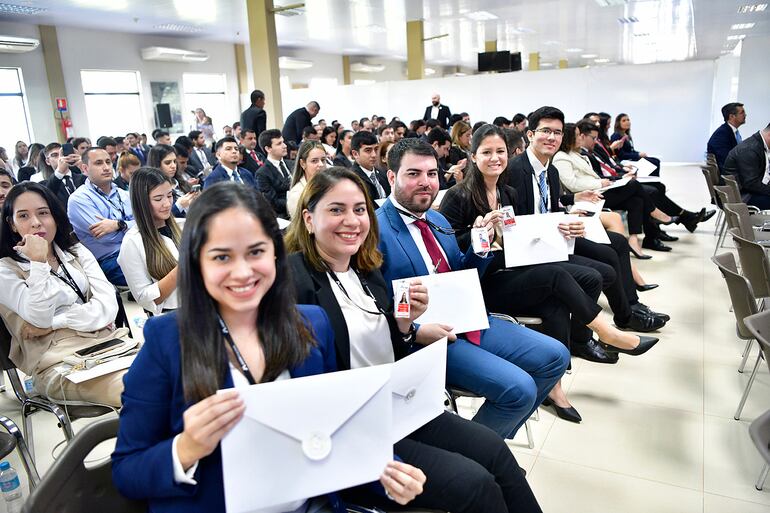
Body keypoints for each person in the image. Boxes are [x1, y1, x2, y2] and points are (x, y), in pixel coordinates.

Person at [112, 182, 425, 512]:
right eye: (221, 257)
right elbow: (127, 471)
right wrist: (185, 449)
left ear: (276, 254)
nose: (243, 272)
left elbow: (337, 427)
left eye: (256, 252)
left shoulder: (311, 325)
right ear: (196, 263)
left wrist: (385, 469)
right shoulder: (166, 341)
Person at [286, 168, 544, 513]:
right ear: (308, 218)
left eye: (360, 209)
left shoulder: (366, 270)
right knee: (475, 483)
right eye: (336, 210)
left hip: (396, 404)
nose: (352, 221)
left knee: (495, 450)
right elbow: (301, 382)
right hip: (352, 428)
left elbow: (386, 344)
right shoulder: (293, 280)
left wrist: (406, 327)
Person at [0, 182, 130, 407]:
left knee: (172, 374)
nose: (36, 222)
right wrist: (38, 263)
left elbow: (109, 307)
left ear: (55, 216)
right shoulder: (6, 269)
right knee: (140, 390)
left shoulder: (76, 252)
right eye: (23, 216)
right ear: (11, 224)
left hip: (108, 345)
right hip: (57, 362)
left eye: (43, 213)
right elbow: (38, 317)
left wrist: (55, 323)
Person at [553, 121, 678, 257]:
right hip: (585, 197)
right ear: (569, 138)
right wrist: (600, 183)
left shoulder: (575, 154)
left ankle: (633, 240)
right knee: (633, 185)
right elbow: (572, 184)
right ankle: (656, 213)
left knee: (636, 200)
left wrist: (607, 181)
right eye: (577, 135)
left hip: (596, 191)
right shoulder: (561, 158)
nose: (580, 138)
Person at [118, 168, 181, 314]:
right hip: (171, 316)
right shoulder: (133, 242)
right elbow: (145, 299)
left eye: (170, 195)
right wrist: (182, 269)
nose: (167, 204)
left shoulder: (182, 226)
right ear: (142, 202)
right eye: (158, 199)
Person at [67, 147, 133, 286]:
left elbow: (147, 223)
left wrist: (118, 225)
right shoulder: (79, 199)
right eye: (98, 163)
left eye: (108, 162)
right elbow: (106, 237)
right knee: (169, 272)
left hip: (138, 248)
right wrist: (133, 225)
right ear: (84, 169)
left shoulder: (123, 194)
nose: (106, 167)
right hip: (111, 260)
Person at [724, 123, 770, 210]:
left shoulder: (757, 144)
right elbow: (751, 184)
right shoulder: (749, 149)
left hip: (745, 191)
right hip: (743, 196)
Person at [147, 144, 199, 218]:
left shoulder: (180, 181)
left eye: (174, 161)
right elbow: (158, 218)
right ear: (157, 164)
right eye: (167, 163)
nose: (173, 166)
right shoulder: (153, 188)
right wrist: (179, 206)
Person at [255, 129, 293, 218]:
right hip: (283, 215)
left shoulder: (293, 164)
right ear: (268, 149)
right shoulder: (262, 173)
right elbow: (273, 202)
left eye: (283, 142)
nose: (284, 146)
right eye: (279, 144)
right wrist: (296, 202)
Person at [287, 141, 327, 219]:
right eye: (314, 161)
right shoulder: (297, 195)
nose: (321, 164)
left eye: (323, 160)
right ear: (303, 164)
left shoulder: (330, 186)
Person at [43, 142, 86, 207]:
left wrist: (84, 166)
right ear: (48, 161)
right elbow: (48, 196)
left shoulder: (83, 177)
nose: (60, 157)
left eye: (62, 154)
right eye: (55, 155)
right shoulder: (44, 184)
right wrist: (59, 172)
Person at [708, 102, 747, 174]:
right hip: (727, 174)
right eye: (742, 113)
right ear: (731, 116)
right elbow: (727, 159)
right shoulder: (722, 134)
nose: (745, 115)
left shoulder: (732, 131)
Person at [350, 131, 389, 201]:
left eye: (376, 149)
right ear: (355, 154)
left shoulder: (383, 172)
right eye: (368, 150)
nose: (374, 155)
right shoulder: (352, 178)